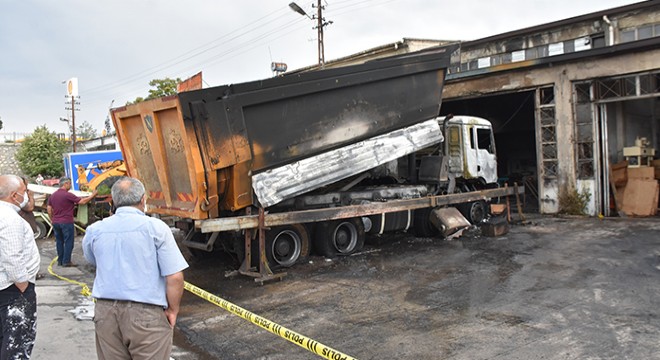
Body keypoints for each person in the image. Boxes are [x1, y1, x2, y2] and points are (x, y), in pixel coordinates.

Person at [82, 177, 188, 360]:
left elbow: (93, 261)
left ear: (113, 201)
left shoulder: (95, 230)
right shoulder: (156, 228)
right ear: (143, 199)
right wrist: (173, 310)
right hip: (146, 314)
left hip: (106, 313)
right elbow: (175, 277)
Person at [0, 174, 41, 359]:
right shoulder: (10, 219)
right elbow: (12, 257)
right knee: (17, 344)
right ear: (14, 195)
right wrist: (23, 285)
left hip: (6, 288)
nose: (26, 196)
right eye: (24, 192)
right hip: (13, 290)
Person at [47, 177, 97, 267]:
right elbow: (82, 202)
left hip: (56, 222)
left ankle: (60, 260)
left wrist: (51, 219)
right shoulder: (67, 195)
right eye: (69, 184)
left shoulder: (53, 195)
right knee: (68, 241)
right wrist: (93, 195)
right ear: (65, 184)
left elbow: (49, 209)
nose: (70, 185)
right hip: (66, 221)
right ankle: (66, 261)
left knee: (59, 241)